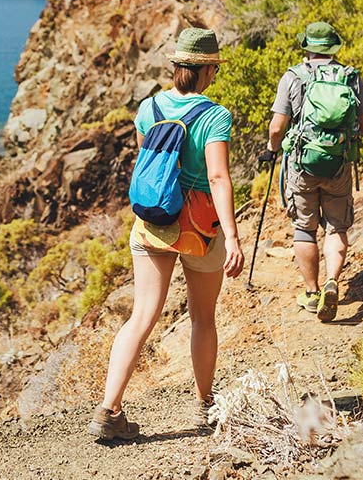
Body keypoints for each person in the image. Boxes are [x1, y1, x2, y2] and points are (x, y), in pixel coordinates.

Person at [88, 28, 245, 440]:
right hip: (200, 228)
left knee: (141, 316)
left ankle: (109, 410)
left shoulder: (149, 106)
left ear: (176, 68)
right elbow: (217, 176)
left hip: (154, 222)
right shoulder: (215, 115)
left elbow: (148, 158)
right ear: (209, 70)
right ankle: (203, 406)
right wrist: (234, 235)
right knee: (202, 317)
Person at [261, 21, 363, 322]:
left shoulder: (293, 77)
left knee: (304, 228)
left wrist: (272, 150)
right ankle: (332, 281)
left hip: (302, 163)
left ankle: (312, 293)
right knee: (336, 227)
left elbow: (277, 127)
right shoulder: (350, 77)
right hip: (338, 162)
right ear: (333, 48)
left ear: (308, 47)